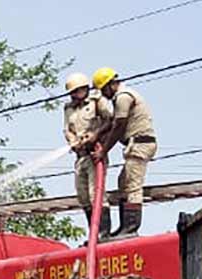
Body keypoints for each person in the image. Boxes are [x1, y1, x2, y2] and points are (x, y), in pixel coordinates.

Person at [91, 67, 157, 237]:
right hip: (135, 144)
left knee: (132, 185)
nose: (103, 95)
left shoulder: (123, 97)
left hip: (139, 144)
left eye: (103, 90)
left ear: (110, 85)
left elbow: (118, 126)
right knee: (123, 182)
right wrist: (97, 135)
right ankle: (124, 227)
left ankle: (131, 228)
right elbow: (112, 123)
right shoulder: (122, 97)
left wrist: (103, 150)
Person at [62, 72, 113, 238]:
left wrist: (95, 135)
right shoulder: (68, 108)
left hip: (94, 155)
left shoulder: (97, 102)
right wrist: (72, 140)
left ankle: (103, 234)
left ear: (84, 89)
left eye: (77, 91)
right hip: (80, 156)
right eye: (72, 93)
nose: (74, 95)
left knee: (95, 194)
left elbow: (110, 120)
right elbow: (67, 129)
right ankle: (94, 234)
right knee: (83, 196)